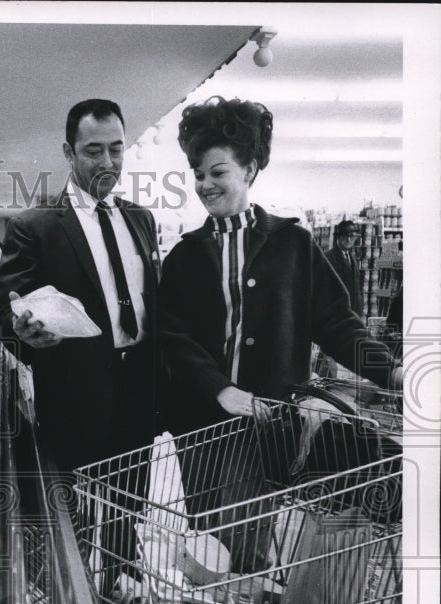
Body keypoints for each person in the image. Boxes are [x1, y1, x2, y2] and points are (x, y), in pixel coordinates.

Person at [158, 96, 403, 572]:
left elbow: (335, 322)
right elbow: (173, 337)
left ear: (249, 169)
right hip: (202, 426)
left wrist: (391, 373)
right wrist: (221, 389)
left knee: (246, 545)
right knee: (210, 549)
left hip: (270, 424)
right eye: (198, 173)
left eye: (218, 172)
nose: (205, 184)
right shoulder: (185, 257)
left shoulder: (294, 245)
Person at [0, 98, 164, 474]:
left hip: (138, 393)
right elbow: (7, 313)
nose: (108, 162)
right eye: (94, 150)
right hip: (73, 399)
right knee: (75, 515)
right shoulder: (36, 226)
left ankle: (128, 533)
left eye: (116, 149)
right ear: (68, 153)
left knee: (130, 507)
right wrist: (25, 332)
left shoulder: (141, 219)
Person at [325, 219, 365, 318]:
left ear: (355, 238)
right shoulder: (328, 258)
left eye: (351, 236)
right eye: (345, 236)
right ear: (338, 237)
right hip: (338, 315)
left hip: (355, 313)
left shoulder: (352, 257)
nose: (348, 239)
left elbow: (357, 287)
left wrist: (360, 306)